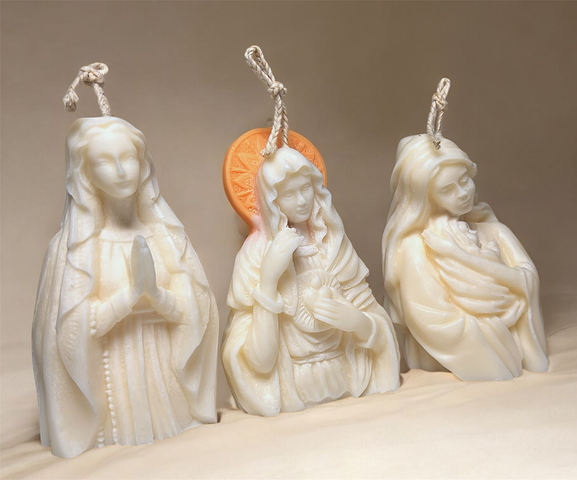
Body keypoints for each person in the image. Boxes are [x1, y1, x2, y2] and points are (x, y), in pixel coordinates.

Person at [32, 117, 218, 458]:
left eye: (128, 158)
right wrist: (129, 297)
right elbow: (70, 332)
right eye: (105, 162)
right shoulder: (73, 252)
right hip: (113, 377)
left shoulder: (166, 238)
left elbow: (196, 311)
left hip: (163, 375)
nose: (120, 171)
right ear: (86, 174)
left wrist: (157, 296)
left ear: (143, 163)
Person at [223, 146, 399, 416]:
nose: (302, 200)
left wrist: (358, 323)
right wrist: (268, 280)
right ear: (271, 201)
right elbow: (258, 362)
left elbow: (378, 328)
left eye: (306, 188)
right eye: (289, 194)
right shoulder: (257, 255)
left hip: (347, 381)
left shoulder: (334, 246)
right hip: (294, 389)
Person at [382, 134, 548, 381]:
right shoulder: (415, 245)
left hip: (501, 339)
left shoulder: (494, 231)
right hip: (465, 348)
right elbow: (432, 318)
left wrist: (462, 257)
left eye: (464, 181)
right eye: (446, 190)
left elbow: (528, 281)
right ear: (425, 197)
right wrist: (492, 358)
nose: (462, 193)